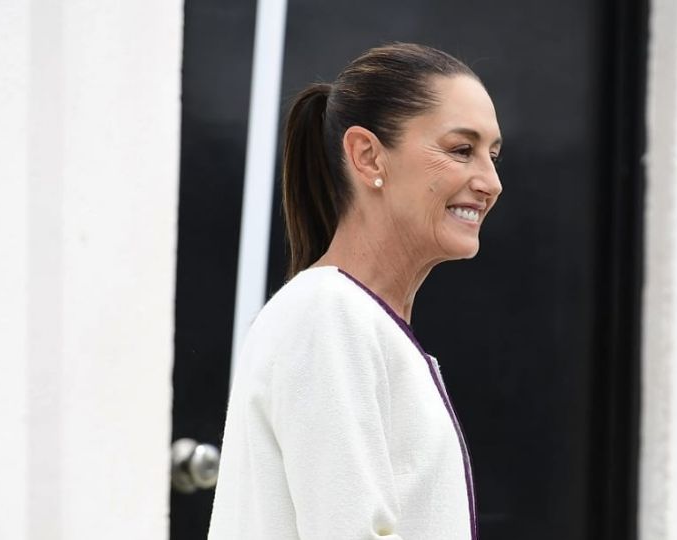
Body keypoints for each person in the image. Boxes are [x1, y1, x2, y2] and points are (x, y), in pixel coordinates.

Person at [207, 42, 503, 540]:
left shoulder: (350, 317)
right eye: (460, 150)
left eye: (493, 155)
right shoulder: (329, 314)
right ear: (367, 156)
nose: (490, 182)